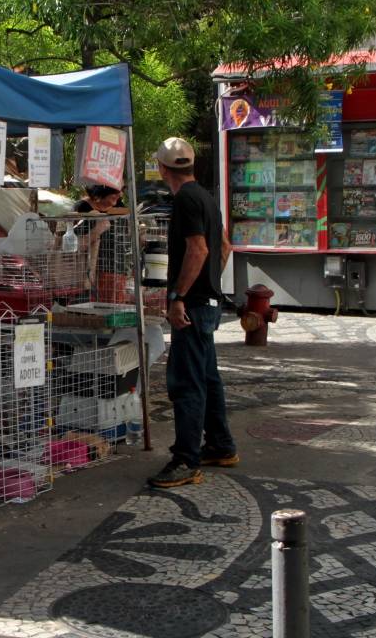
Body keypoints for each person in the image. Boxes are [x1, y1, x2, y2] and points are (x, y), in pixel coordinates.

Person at [148, 137, 238, 489]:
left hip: (193, 306)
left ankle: (186, 459)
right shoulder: (205, 197)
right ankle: (220, 445)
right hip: (207, 303)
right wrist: (209, 283)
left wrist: (179, 296)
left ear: (162, 168)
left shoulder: (185, 199)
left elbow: (198, 250)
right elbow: (224, 247)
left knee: (187, 383)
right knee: (208, 378)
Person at [73, 184, 132, 302]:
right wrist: (97, 230)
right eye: (115, 192)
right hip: (91, 273)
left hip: (117, 270)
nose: (120, 194)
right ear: (102, 191)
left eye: (122, 190)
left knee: (115, 307)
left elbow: (125, 234)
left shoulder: (119, 206)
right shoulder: (83, 207)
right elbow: (76, 245)